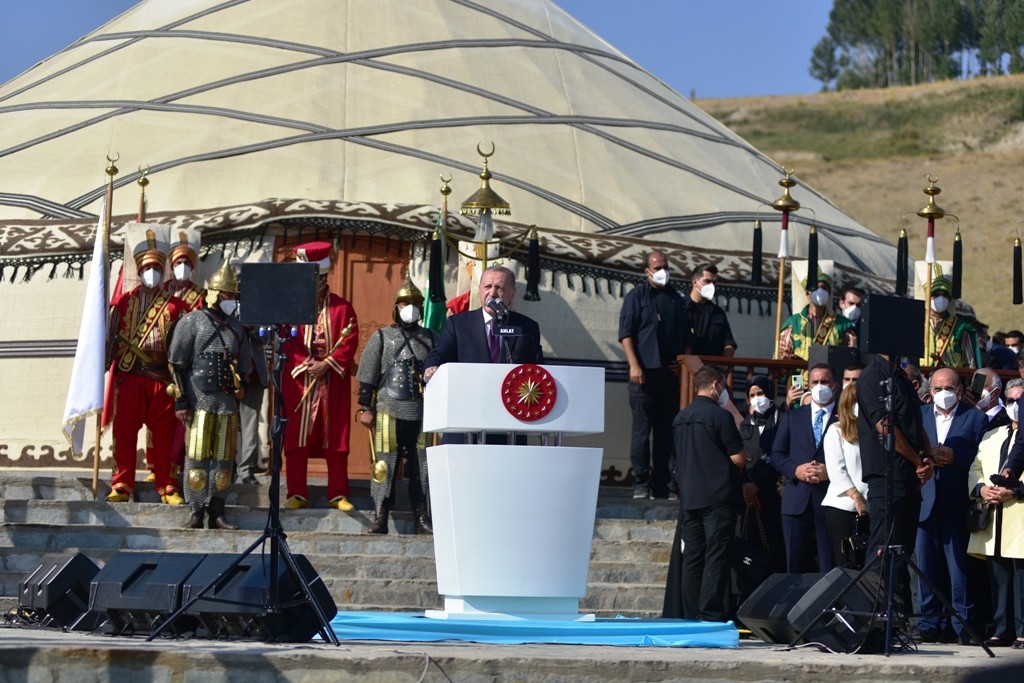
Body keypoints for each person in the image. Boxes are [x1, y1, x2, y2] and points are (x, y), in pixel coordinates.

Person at [106, 229, 189, 504]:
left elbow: (183, 347)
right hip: (130, 378)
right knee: (125, 434)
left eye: (156, 267)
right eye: (147, 267)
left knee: (164, 439)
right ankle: (122, 484)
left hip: (162, 380)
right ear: (140, 270)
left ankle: (167, 486)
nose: (151, 272)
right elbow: (108, 339)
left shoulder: (177, 307)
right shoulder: (123, 301)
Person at [168, 259, 252, 530]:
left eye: (234, 295)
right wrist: (182, 400)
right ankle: (195, 510)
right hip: (199, 399)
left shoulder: (236, 328)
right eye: (228, 295)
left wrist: (242, 386)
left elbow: (245, 365)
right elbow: (177, 364)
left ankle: (217, 511)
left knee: (223, 459)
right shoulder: (191, 322)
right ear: (215, 294)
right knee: (197, 456)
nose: (232, 299)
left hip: (226, 401)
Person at [662, 365, 746, 622]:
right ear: (715, 385)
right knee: (716, 557)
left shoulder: (680, 417)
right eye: (723, 386)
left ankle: (690, 614)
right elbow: (738, 457)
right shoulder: (721, 417)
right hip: (718, 498)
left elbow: (673, 461)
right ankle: (710, 613)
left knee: (693, 558)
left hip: (690, 499)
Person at [281, 241, 360, 511]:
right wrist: (306, 365)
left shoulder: (342, 308)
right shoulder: (290, 306)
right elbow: (286, 343)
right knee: (296, 436)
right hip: (298, 381)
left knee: (335, 437)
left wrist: (327, 364)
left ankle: (338, 493)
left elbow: (349, 342)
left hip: (332, 382)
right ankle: (296, 492)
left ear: (324, 278)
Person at [356, 274, 437, 535]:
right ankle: (380, 515)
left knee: (421, 465)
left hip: (422, 411)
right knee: (385, 464)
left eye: (414, 303)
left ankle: (421, 516)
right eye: (404, 303)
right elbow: (367, 376)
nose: (409, 308)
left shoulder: (433, 339)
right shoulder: (381, 336)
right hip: (388, 410)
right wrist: (364, 407)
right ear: (396, 307)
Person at [856, 354, 933, 621]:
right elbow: (886, 426)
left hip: (909, 478)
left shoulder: (901, 375)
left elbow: (916, 424)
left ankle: (897, 618)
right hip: (887, 476)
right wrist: (916, 461)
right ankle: (872, 618)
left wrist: (928, 458)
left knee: (903, 552)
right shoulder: (872, 376)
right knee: (883, 549)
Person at [916, 367, 988, 644]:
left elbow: (984, 457)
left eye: (948, 389)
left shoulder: (976, 419)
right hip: (925, 501)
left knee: (960, 570)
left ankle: (965, 627)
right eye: (937, 388)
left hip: (958, 503)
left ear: (959, 391)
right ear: (929, 391)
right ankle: (929, 625)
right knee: (926, 568)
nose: (942, 394)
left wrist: (956, 456)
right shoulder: (920, 416)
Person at [615, 250, 693, 499]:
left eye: (665, 266)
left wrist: (682, 363)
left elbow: (687, 337)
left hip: (669, 376)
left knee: (665, 432)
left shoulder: (676, 299)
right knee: (641, 431)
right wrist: (634, 365)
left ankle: (661, 483)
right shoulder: (636, 297)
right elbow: (626, 334)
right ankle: (640, 482)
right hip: (643, 375)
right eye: (657, 267)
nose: (662, 271)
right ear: (646, 270)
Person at [968, 378, 1024, 648]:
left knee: (1021, 577)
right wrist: (980, 489)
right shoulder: (993, 434)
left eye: (1019, 400)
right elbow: (975, 468)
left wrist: (1014, 490)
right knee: (998, 575)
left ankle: (1022, 630)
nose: (1015, 406)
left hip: (1019, 513)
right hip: (994, 516)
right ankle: (1002, 629)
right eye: (1010, 401)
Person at [769, 363, 839, 573]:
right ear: (808, 386)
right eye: (815, 382)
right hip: (796, 499)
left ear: (834, 385)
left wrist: (830, 472)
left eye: (824, 382)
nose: (820, 386)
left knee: (830, 565)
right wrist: (796, 470)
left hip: (830, 500)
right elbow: (776, 455)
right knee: (795, 565)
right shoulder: (794, 416)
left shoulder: (845, 417)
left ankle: (831, 606)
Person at [423, 265, 542, 378]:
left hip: (511, 396)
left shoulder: (527, 327)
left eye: (499, 288)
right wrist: (431, 368)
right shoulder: (458, 324)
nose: (492, 293)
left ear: (512, 293)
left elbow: (539, 368)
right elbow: (439, 354)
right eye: (487, 287)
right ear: (480, 289)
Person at [736, 375, 786, 576]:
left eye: (761, 394)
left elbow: (779, 457)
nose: (757, 399)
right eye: (752, 395)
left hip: (775, 496)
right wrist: (749, 488)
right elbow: (741, 459)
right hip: (750, 500)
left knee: (776, 548)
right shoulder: (745, 426)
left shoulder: (783, 421)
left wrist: (758, 484)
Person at [821, 382, 868, 569]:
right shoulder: (836, 431)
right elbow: (836, 470)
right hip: (844, 506)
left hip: (869, 506)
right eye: (855, 401)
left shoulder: (873, 432)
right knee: (845, 562)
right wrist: (856, 497)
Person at [778, 269, 857, 361]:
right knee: (796, 376)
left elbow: (852, 355)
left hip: (830, 375)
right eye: (816, 288)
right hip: (799, 375)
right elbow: (783, 357)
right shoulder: (793, 323)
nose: (820, 291)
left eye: (824, 288)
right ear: (808, 294)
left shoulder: (843, 324)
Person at [235, 318, 269, 485]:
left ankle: (246, 470)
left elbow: (268, 337)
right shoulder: (224, 306)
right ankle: (226, 467)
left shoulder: (258, 307)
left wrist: (254, 327)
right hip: (229, 376)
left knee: (250, 425)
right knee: (227, 425)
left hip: (254, 377)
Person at [922, 275, 981, 369]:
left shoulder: (961, 326)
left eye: (944, 295)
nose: (941, 299)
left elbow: (971, 361)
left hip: (951, 375)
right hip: (922, 374)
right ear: (929, 298)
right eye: (936, 295)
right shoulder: (917, 322)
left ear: (949, 299)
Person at [684, 263, 736, 357]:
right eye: (707, 281)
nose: (711, 286)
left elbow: (729, 343)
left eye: (714, 282)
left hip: (711, 368)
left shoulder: (718, 313)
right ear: (695, 282)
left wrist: (723, 363)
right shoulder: (680, 307)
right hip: (686, 367)